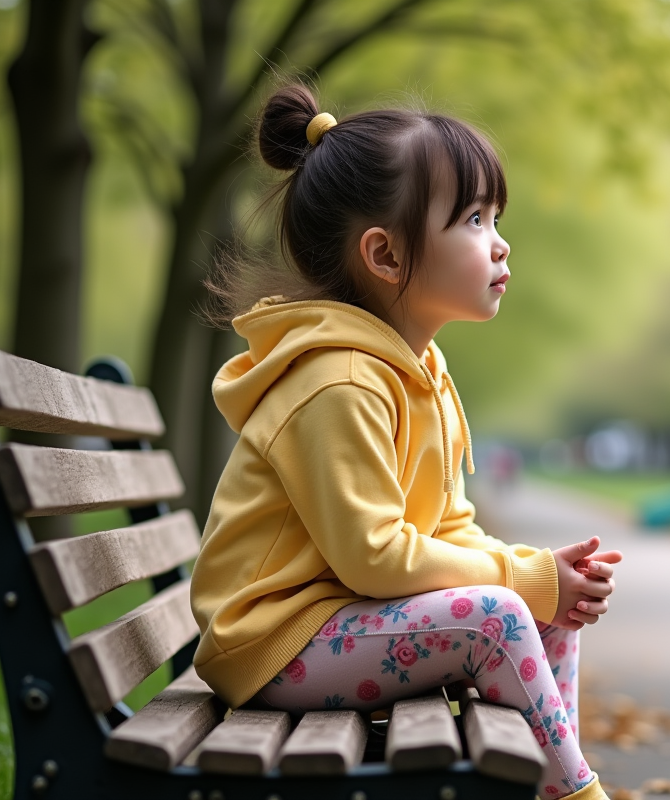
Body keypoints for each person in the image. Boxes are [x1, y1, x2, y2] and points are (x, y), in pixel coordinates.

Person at [189, 84, 621, 800]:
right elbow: (375, 556)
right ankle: (576, 795)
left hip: (339, 622)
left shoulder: (418, 370)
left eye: (495, 217)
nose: (501, 241)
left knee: (541, 603)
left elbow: (444, 525)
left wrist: (537, 572)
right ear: (386, 256)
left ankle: (548, 785)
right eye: (475, 219)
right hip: (273, 643)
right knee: (500, 615)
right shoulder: (342, 382)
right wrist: (521, 581)